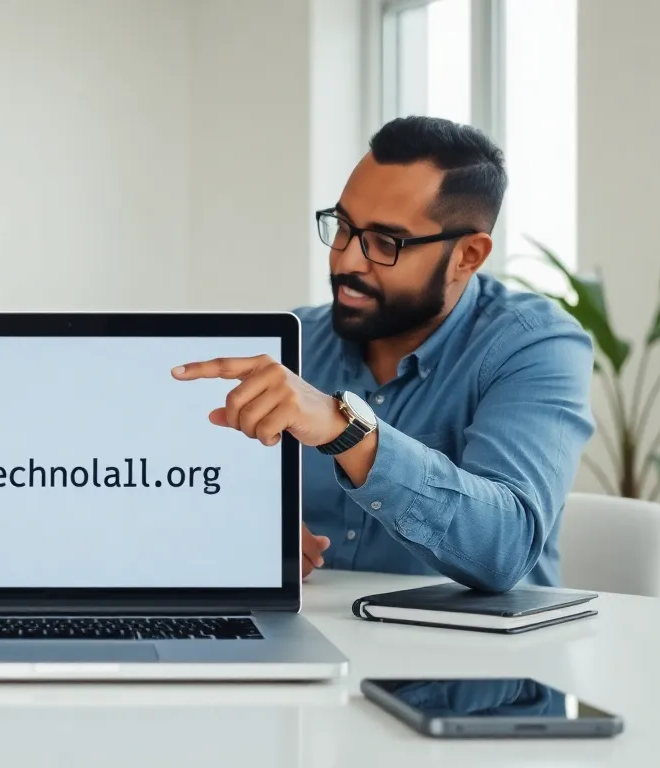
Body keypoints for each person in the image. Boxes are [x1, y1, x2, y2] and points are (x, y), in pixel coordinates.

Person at [172, 116, 594, 592]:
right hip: (310, 639)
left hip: (472, 657)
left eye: (384, 242)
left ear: (468, 256)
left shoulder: (534, 346)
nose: (345, 260)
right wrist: (237, 532)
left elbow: (505, 548)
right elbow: (201, 497)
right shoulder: (294, 345)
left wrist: (346, 429)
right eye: (344, 227)